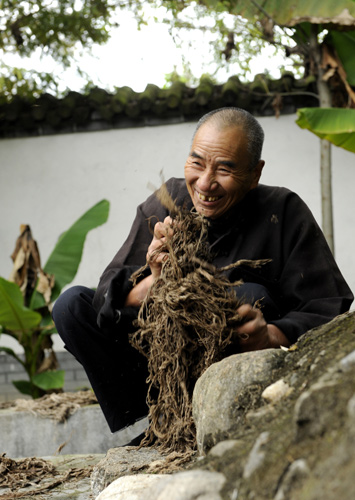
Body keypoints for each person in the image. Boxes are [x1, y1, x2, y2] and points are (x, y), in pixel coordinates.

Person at [52, 107, 353, 435]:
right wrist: (155, 279)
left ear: (255, 173)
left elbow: (326, 306)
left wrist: (270, 337)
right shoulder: (167, 203)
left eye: (224, 169)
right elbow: (107, 298)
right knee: (70, 306)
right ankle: (162, 417)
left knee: (247, 297)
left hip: (241, 368)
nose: (206, 183)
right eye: (197, 163)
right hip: (159, 365)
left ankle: (210, 414)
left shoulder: (283, 212)